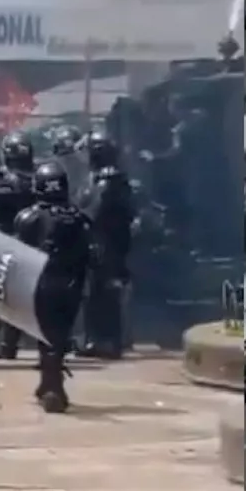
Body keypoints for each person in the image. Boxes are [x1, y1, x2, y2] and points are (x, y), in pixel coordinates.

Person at [14, 161, 93, 413]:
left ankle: (53, 389)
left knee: (46, 337)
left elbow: (17, 253)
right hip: (71, 286)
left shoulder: (28, 217)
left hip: (41, 284)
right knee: (57, 336)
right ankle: (47, 383)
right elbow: (91, 254)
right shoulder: (79, 218)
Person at [77, 131, 135, 360]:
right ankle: (100, 340)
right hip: (105, 242)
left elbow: (94, 211)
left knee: (104, 293)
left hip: (106, 242)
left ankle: (108, 342)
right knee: (98, 292)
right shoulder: (106, 177)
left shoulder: (108, 179)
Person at [0, 131, 37, 360]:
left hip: (11, 241)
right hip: (33, 241)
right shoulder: (39, 177)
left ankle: (7, 343)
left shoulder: (1, 180)